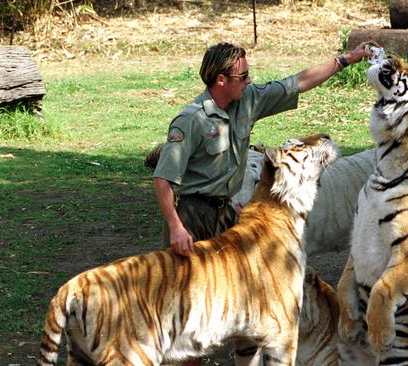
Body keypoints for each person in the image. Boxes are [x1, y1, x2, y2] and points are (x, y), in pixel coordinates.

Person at [152, 40, 377, 366]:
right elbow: (163, 180)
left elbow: (298, 82)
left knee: (246, 297)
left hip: (229, 214)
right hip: (193, 217)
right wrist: (175, 227)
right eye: (242, 76)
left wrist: (345, 60)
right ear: (221, 81)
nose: (248, 80)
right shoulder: (191, 120)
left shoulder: (248, 101)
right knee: (193, 309)